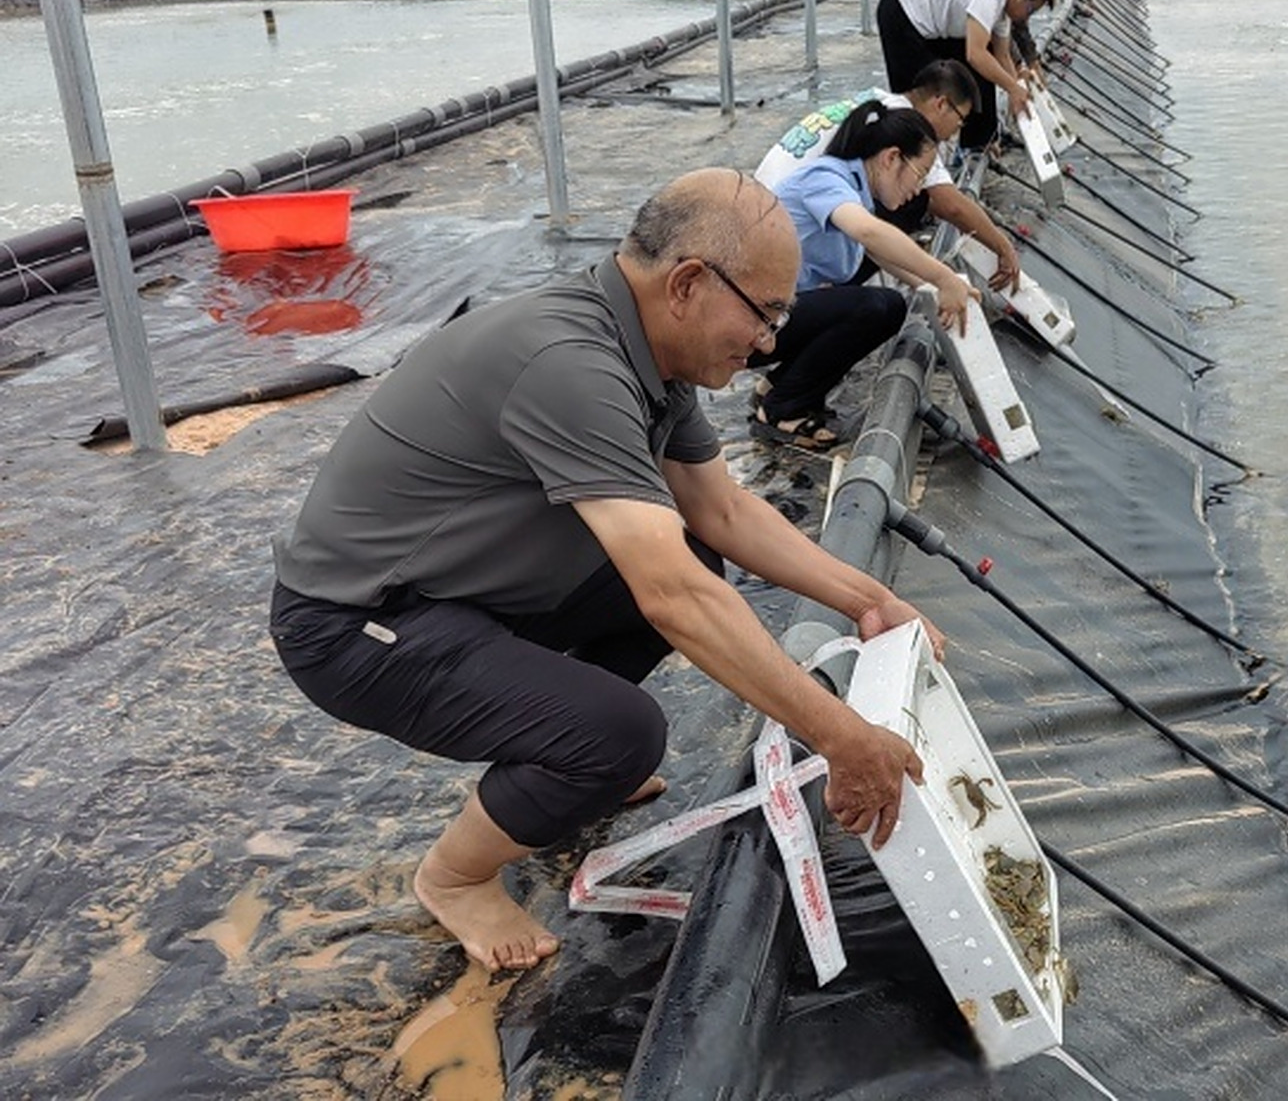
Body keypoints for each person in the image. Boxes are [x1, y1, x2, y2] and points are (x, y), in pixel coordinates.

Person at [270, 169, 941, 973]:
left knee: (694, 551)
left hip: (458, 593)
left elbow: (719, 511)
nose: (768, 341)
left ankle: (558, 750)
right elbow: (672, 599)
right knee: (623, 730)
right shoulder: (569, 363)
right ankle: (456, 874)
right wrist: (838, 735)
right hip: (354, 624)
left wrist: (872, 600)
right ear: (688, 283)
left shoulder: (650, 354)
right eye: (764, 313)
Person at [751, 104, 979, 450]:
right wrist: (945, 277)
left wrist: (935, 288)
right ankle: (783, 408)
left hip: (774, 314)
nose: (918, 189)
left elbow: (878, 253)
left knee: (882, 304)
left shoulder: (856, 188)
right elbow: (870, 234)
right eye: (921, 173)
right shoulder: (826, 178)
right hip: (747, 320)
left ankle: (780, 386)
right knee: (879, 306)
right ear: (891, 158)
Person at [754, 59, 1022, 292]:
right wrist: (1001, 246)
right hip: (775, 232)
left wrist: (928, 283)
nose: (955, 131)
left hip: (766, 204)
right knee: (916, 202)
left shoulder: (878, 105)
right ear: (941, 104)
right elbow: (951, 206)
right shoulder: (902, 126)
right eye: (960, 119)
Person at [876, 0, 1059, 150]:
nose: (1026, 17)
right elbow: (975, 54)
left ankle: (979, 142)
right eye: (1030, 9)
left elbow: (1002, 56)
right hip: (903, 10)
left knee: (980, 74)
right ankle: (906, 155)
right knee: (922, 93)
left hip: (936, 22)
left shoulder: (1003, 7)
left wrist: (1018, 90)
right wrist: (1013, 88)